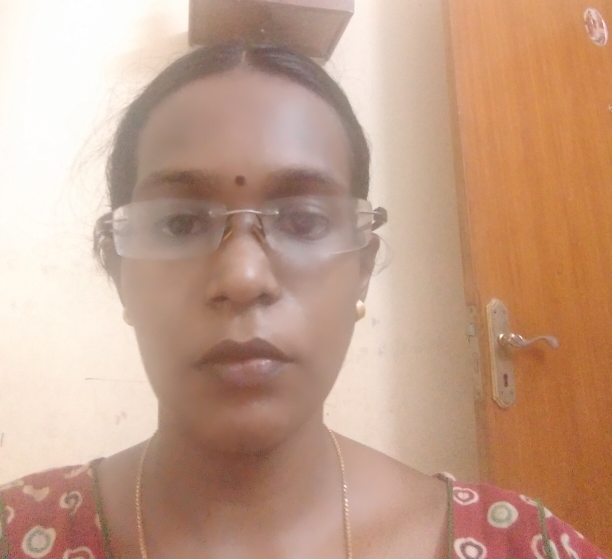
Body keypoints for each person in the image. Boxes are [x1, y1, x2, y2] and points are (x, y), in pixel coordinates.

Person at [0, 42, 607, 559]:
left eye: (305, 221)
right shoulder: (19, 532)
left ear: (362, 269)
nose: (244, 277)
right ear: (119, 271)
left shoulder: (525, 545)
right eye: (180, 224)